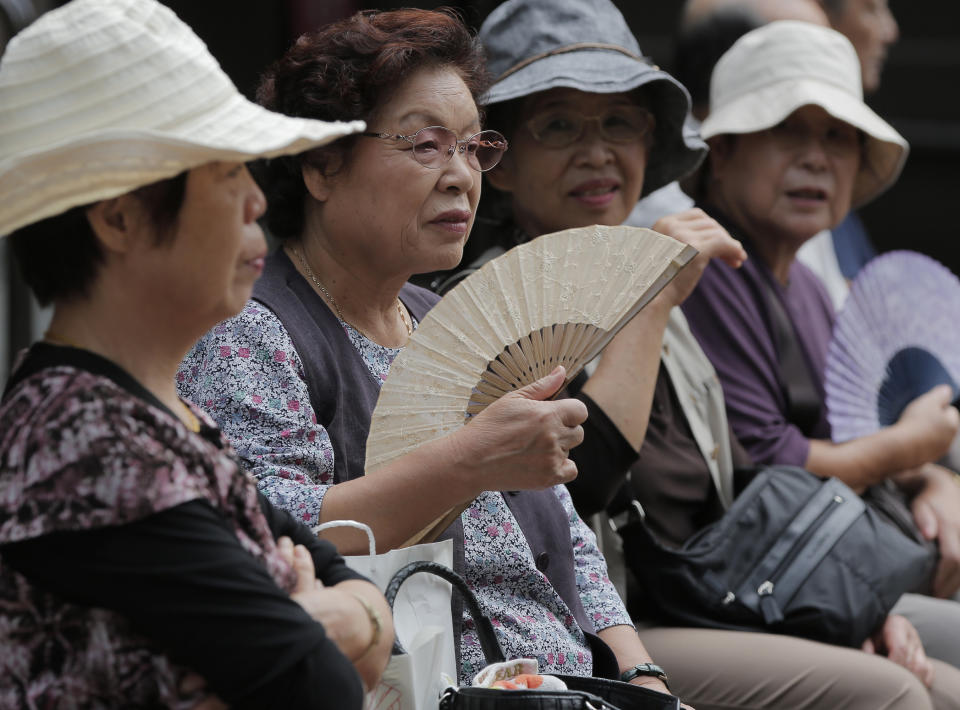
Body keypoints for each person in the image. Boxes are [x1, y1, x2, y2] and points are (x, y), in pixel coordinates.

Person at [177, 7, 683, 701]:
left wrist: (638, 674)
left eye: (475, 149)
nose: (461, 177)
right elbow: (272, 533)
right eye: (426, 146)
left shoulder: (444, 319)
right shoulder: (254, 330)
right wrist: (470, 460)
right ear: (322, 165)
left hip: (563, 682)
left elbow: (566, 537)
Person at [468, 2, 960, 708]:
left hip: (716, 590)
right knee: (895, 696)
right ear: (502, 159)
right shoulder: (502, 302)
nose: (597, 152)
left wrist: (835, 594)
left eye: (620, 123)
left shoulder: (678, 273)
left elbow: (728, 499)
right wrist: (656, 300)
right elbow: (585, 482)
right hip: (605, 622)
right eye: (558, 125)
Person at [0, 0, 394, 707]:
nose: (254, 201)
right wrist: (338, 623)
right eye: (224, 175)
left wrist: (342, 617)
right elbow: (323, 688)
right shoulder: (84, 440)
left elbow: (350, 606)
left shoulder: (153, 415)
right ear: (118, 216)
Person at [681, 18, 960, 675]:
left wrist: (932, 477)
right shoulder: (707, 268)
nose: (816, 158)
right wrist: (910, 447)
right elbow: (769, 464)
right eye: (787, 130)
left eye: (838, 137)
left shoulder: (803, 281)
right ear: (722, 151)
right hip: (745, 583)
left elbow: (847, 433)